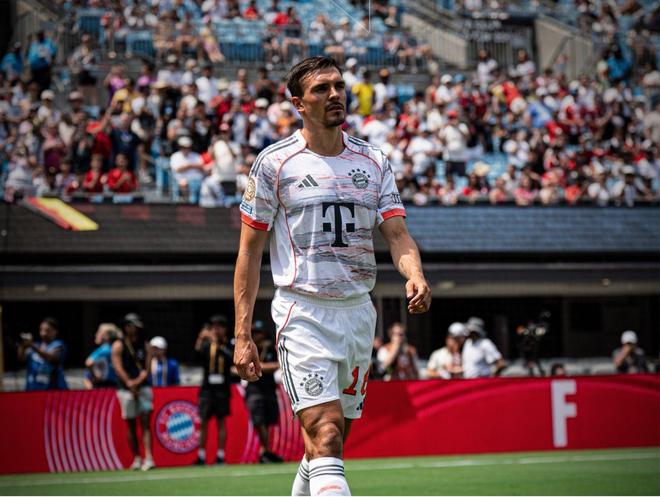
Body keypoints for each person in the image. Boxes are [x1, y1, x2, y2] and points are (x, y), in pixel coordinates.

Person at [233, 56, 431, 496]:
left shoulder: (373, 160)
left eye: (339, 85)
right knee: (326, 432)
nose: (335, 94)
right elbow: (249, 252)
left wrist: (414, 273)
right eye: (321, 89)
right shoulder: (274, 163)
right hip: (303, 311)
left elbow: (397, 234)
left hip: (358, 314)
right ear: (299, 104)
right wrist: (242, 334)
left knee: (329, 444)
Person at [111, 313, 154, 471]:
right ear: (126, 326)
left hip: (143, 387)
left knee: (145, 423)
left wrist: (138, 382)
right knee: (130, 424)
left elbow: (147, 368)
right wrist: (129, 383)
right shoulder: (118, 344)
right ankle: (136, 458)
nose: (135, 328)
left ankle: (149, 458)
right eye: (132, 325)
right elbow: (117, 367)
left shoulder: (144, 344)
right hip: (125, 389)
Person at [194, 315, 233, 465]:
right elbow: (196, 355)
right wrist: (200, 338)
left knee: (221, 421)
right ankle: (201, 456)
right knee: (203, 421)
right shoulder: (207, 345)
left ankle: (220, 455)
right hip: (207, 389)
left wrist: (216, 342)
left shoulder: (229, 343)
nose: (216, 330)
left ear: (224, 329)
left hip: (222, 389)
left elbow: (230, 359)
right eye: (213, 327)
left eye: (219, 327)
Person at [244, 320, 284, 463]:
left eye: (259, 333)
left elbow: (278, 364)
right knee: (258, 421)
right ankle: (265, 451)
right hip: (254, 389)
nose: (256, 335)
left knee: (269, 420)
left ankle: (266, 451)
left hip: (269, 388)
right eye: (254, 333)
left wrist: (259, 366)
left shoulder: (271, 348)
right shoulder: (248, 349)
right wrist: (261, 366)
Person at [17, 317, 68, 391]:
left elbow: (51, 358)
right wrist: (22, 346)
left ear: (55, 331)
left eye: (47, 330)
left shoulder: (58, 345)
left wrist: (32, 345)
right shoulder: (36, 345)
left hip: (53, 390)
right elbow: (21, 358)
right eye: (41, 330)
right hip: (33, 389)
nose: (43, 333)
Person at [84, 323, 121, 389]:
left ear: (106, 336)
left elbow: (88, 362)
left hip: (104, 384)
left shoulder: (105, 349)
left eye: (99, 332)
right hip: (112, 383)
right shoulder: (112, 348)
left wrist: (95, 376)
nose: (96, 334)